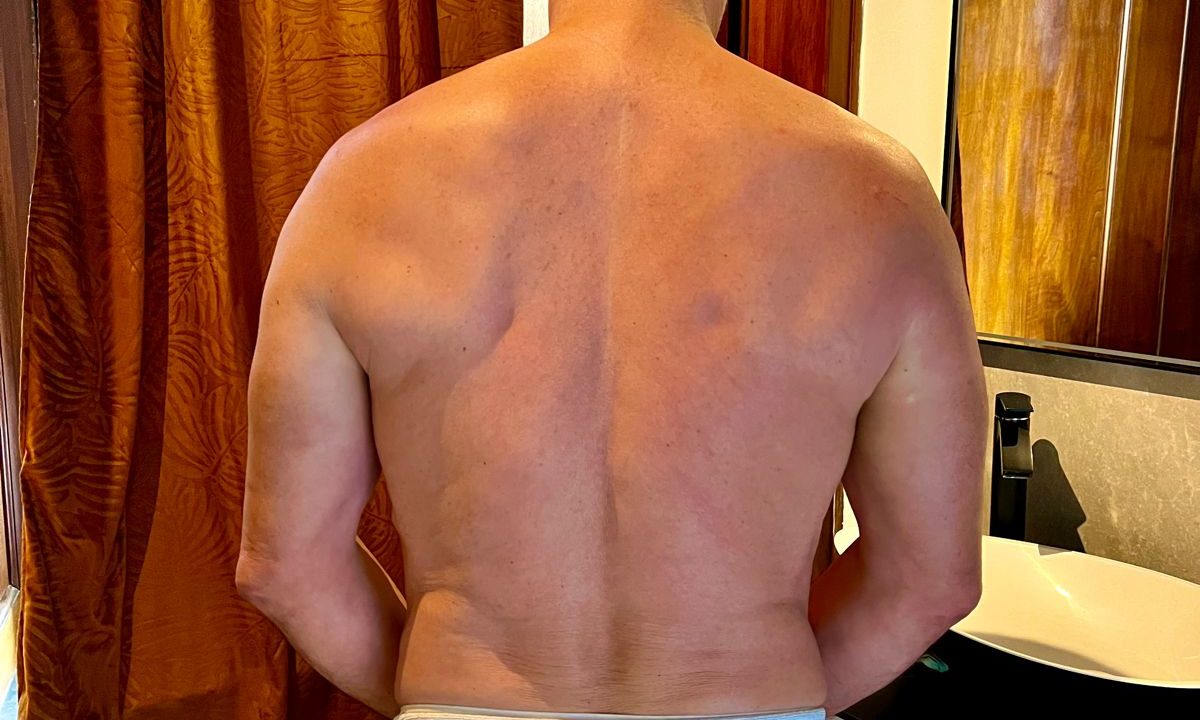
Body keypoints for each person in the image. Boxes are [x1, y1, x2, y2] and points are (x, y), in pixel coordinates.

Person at [236, 1, 988, 719]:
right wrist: (773, 706)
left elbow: (286, 568)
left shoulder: (359, 182)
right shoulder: (881, 196)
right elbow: (930, 579)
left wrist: (443, 704)